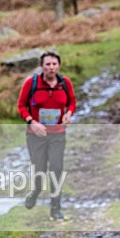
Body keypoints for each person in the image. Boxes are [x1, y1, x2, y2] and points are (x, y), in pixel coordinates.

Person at [17, 50, 77, 220]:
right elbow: (21, 106)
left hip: (57, 134)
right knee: (40, 171)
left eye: (54, 64)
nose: (51, 68)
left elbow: (72, 101)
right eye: (48, 64)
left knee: (56, 169)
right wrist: (32, 122)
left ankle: (55, 208)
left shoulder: (65, 83)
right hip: (36, 136)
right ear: (42, 66)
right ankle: (35, 192)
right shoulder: (31, 83)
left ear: (58, 65)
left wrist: (68, 114)